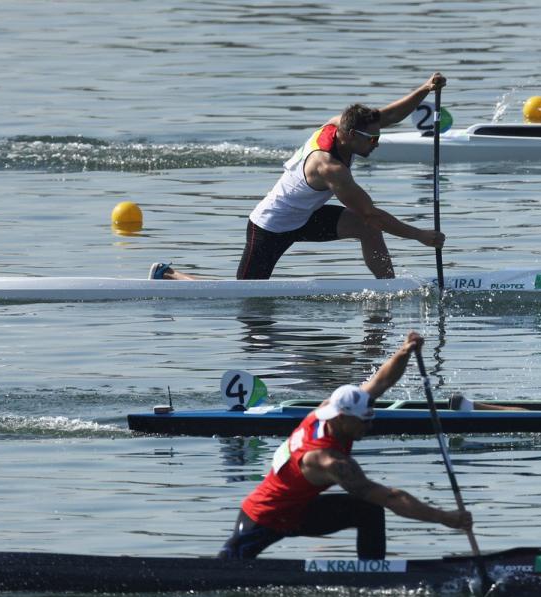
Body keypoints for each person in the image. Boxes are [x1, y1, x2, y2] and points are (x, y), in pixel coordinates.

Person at [151, 73, 447, 281]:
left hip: (306, 215)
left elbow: (388, 116)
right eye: (372, 140)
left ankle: (388, 290)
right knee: (243, 295)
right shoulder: (330, 168)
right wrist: (420, 235)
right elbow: (372, 214)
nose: (377, 143)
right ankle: (169, 275)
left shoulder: (341, 125)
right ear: (351, 136)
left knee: (367, 230)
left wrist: (424, 88)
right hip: (271, 226)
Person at [218, 332, 472, 560]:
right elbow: (392, 497)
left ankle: (373, 576)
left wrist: (405, 351)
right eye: (363, 422)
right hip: (265, 517)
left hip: (299, 511)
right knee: (223, 571)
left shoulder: (329, 410)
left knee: (369, 511)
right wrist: (445, 518)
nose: (367, 427)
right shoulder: (328, 460)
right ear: (342, 418)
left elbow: (381, 382)